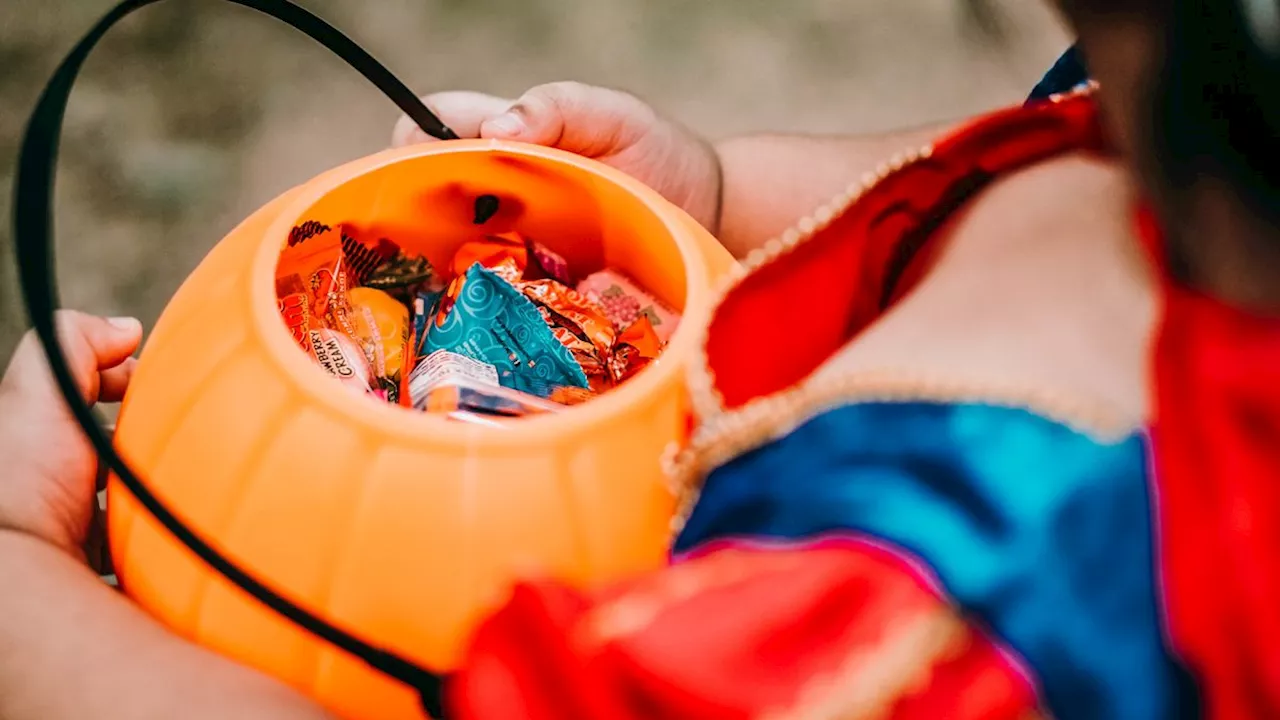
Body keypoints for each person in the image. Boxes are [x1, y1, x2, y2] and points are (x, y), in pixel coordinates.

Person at [3, 0, 1278, 717]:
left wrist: (20, 584)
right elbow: (979, 177)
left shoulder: (911, 638)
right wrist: (719, 191)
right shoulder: (1172, 145)